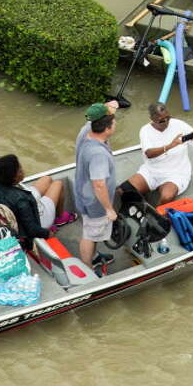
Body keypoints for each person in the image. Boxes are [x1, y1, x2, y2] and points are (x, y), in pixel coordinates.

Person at [128, 102, 193, 206]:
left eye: (168, 118)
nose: (166, 121)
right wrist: (171, 145)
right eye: (161, 120)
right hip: (151, 172)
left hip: (176, 174)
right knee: (124, 190)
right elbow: (149, 153)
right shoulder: (145, 130)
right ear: (152, 118)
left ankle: (157, 216)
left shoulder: (179, 124)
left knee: (166, 197)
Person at [0, 154, 74, 241]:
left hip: (13, 198)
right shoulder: (22, 201)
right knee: (58, 184)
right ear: (14, 178)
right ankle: (60, 218)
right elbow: (32, 230)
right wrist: (48, 233)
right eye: (20, 170)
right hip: (39, 218)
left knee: (47, 179)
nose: (23, 170)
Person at [73, 110, 119, 271]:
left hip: (82, 194)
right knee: (90, 235)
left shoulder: (86, 130)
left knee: (92, 231)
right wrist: (109, 209)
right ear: (107, 129)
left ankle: (94, 257)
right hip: (94, 203)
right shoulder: (98, 154)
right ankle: (88, 269)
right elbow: (99, 184)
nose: (115, 124)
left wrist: (109, 108)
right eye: (113, 123)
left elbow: (96, 113)